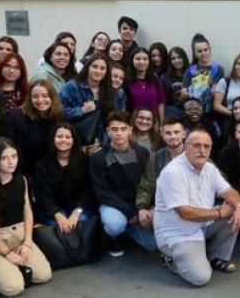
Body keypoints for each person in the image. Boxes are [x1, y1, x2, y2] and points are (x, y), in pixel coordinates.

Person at [153, 128, 240, 285]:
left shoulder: (209, 168)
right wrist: (218, 214)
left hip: (201, 225)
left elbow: (229, 191)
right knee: (200, 278)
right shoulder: (173, 172)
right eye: (196, 145)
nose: (202, 150)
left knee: (234, 211)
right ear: (185, 146)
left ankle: (216, 257)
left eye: (206, 146)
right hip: (179, 233)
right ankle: (170, 258)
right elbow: (185, 213)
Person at [0, 138, 52, 297]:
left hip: (19, 237)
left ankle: (5, 267)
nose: (11, 162)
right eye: (4, 158)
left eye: (14, 156)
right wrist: (7, 253)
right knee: (13, 288)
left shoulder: (21, 180)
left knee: (43, 275)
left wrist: (27, 243)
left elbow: (27, 212)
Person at [32, 122, 100, 269]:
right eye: (59, 136)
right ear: (53, 139)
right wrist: (58, 215)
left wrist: (77, 212)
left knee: (81, 221)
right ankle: (66, 256)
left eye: (68, 137)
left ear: (74, 140)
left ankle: (76, 255)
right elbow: (42, 195)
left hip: (78, 207)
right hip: (53, 209)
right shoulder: (42, 164)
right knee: (56, 225)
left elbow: (88, 190)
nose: (63, 140)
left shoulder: (84, 160)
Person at [90, 111, 153, 256]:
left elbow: (148, 183)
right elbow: (101, 192)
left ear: (130, 130)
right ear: (108, 131)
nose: (119, 133)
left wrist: (143, 208)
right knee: (115, 224)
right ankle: (115, 236)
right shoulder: (98, 157)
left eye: (123, 129)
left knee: (151, 245)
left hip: (137, 202)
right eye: (114, 129)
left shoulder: (142, 153)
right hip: (112, 203)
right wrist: (130, 213)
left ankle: (129, 229)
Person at [133, 116, 188, 237]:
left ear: (184, 134)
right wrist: (142, 208)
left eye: (176, 132)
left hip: (191, 206)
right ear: (162, 135)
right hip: (163, 206)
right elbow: (146, 185)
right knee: (151, 245)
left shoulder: (196, 154)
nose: (172, 136)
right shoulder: (156, 157)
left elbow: (219, 180)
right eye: (168, 133)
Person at [60, 55, 122, 149]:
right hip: (73, 142)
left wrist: (103, 141)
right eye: (94, 66)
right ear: (87, 68)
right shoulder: (71, 86)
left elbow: (113, 120)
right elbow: (59, 113)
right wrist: (81, 110)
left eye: (102, 68)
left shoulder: (112, 92)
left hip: (100, 143)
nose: (98, 71)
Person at [6, 80, 62, 174]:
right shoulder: (16, 117)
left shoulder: (60, 116)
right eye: (35, 96)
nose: (40, 100)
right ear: (29, 98)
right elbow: (9, 146)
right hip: (24, 170)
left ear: (52, 97)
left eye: (45, 96)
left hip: (52, 171)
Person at [182, 33, 224, 116]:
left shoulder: (217, 69)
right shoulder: (191, 69)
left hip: (211, 112)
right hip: (193, 112)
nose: (203, 53)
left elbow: (216, 92)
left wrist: (209, 91)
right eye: (199, 51)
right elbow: (183, 93)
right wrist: (195, 92)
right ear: (194, 53)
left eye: (206, 49)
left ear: (209, 49)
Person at [125, 46, 166, 120]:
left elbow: (160, 102)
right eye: (138, 59)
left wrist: (162, 123)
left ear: (149, 61)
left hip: (152, 122)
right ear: (132, 60)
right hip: (133, 122)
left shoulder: (155, 79)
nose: (141, 62)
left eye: (145, 59)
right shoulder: (126, 81)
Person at [163, 46, 191, 120]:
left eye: (179, 57)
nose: (177, 60)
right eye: (173, 59)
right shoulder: (165, 77)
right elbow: (164, 100)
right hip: (173, 110)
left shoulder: (192, 73)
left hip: (191, 109)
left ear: (184, 58)